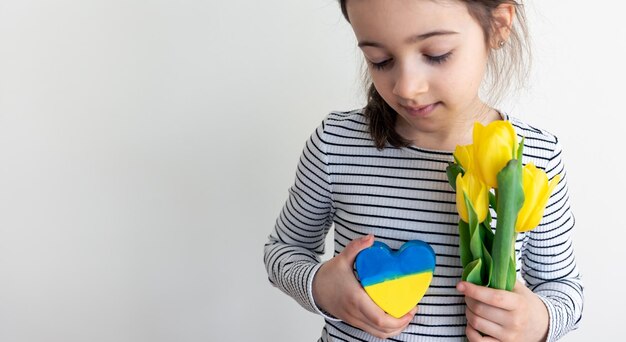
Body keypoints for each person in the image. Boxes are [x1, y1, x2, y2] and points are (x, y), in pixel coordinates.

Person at [263, 0, 583, 341]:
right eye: (379, 60)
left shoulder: (535, 157)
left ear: (499, 26)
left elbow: (562, 288)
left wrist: (538, 321)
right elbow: (283, 249)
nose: (406, 88)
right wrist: (320, 287)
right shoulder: (335, 143)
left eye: (436, 54)